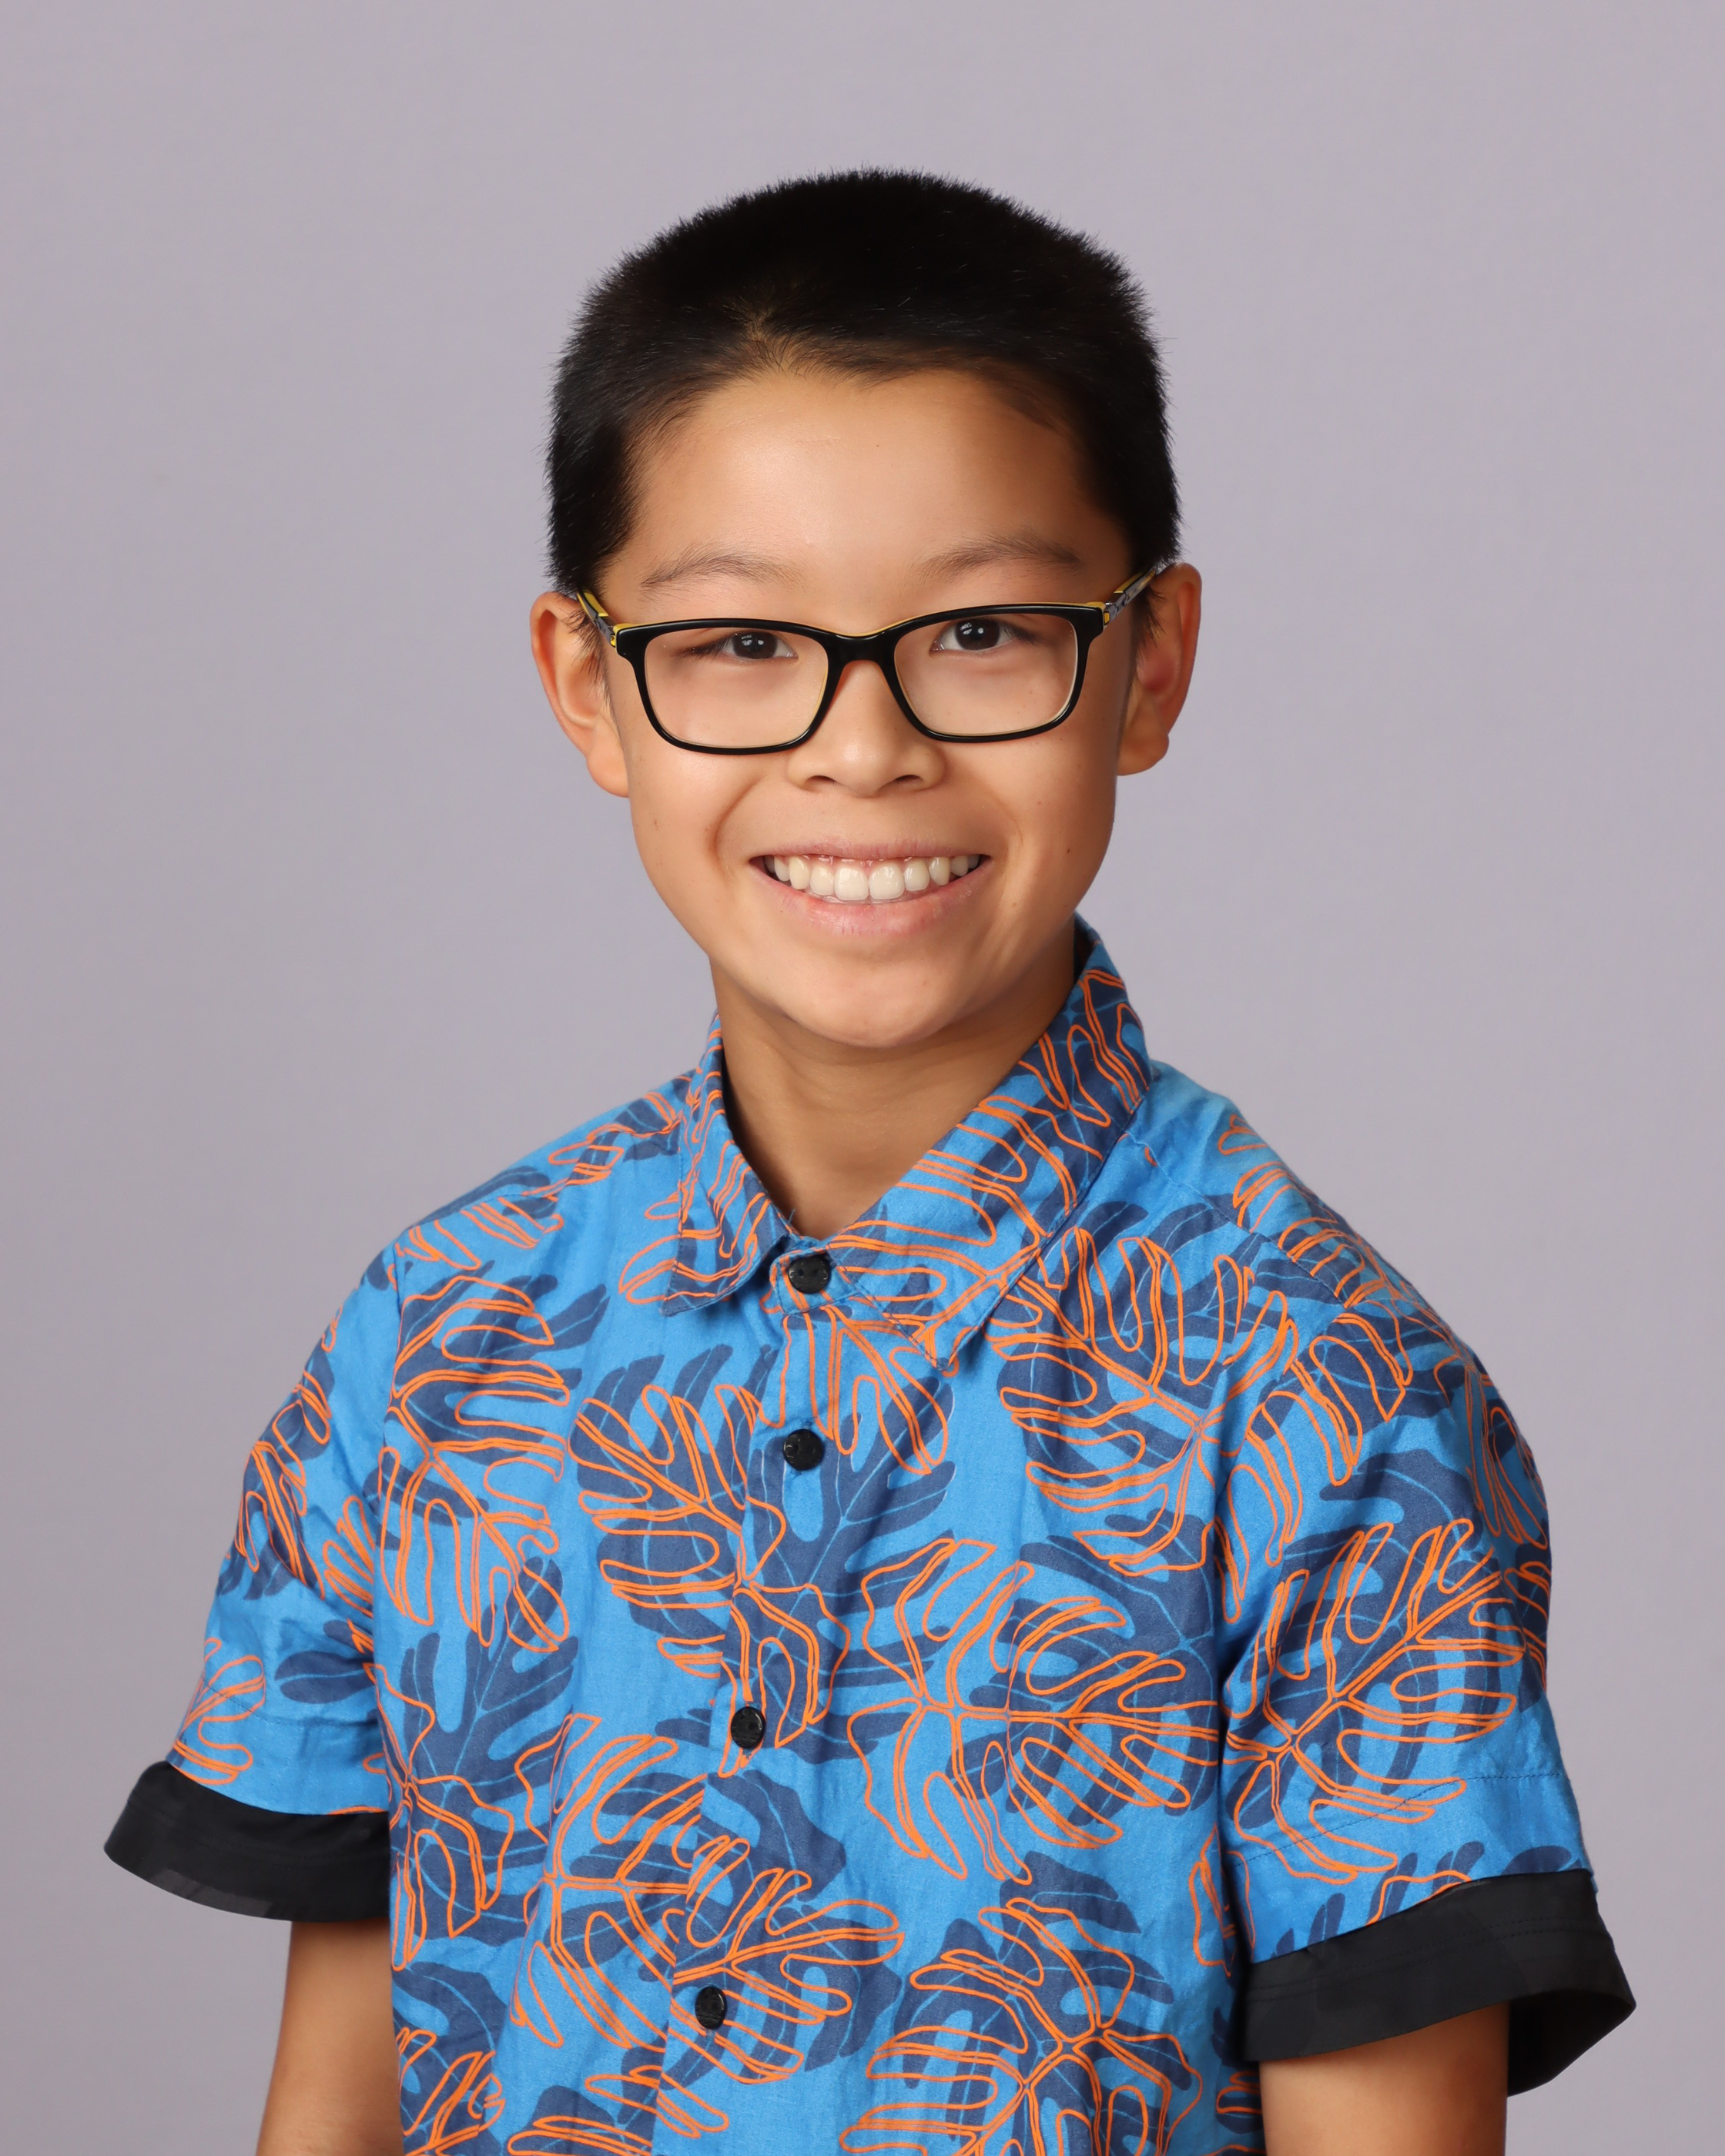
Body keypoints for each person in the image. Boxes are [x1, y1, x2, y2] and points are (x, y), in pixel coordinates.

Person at [107, 171, 1632, 2156]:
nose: (863, 747)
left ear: (1152, 662)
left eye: (982, 632)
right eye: (743, 640)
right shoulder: (437, 1340)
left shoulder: (1324, 1404)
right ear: (587, 686)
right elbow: (349, 2081)